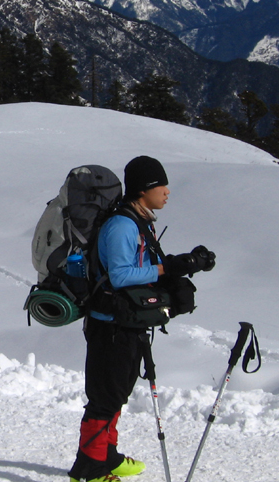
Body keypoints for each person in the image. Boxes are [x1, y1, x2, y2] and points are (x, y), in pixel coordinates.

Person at [68, 156, 214, 482]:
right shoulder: (122, 225)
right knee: (105, 398)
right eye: (161, 185)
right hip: (110, 324)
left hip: (127, 322)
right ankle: (90, 469)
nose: (167, 191)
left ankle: (106, 456)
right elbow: (120, 275)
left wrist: (182, 265)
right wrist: (165, 269)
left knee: (116, 394)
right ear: (144, 188)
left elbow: (143, 265)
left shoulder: (139, 221)